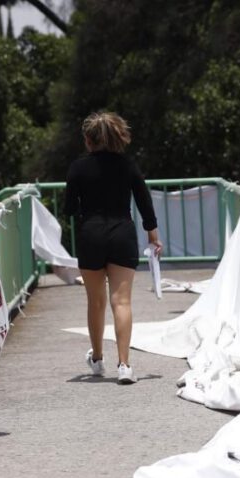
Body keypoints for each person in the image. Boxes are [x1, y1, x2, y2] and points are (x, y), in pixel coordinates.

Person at [65, 111, 162, 384]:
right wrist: (153, 237)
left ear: (88, 140)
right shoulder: (127, 165)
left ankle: (97, 360)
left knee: (95, 302)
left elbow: (70, 209)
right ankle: (125, 365)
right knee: (122, 301)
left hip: (90, 235)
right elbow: (144, 204)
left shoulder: (78, 168)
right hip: (122, 233)